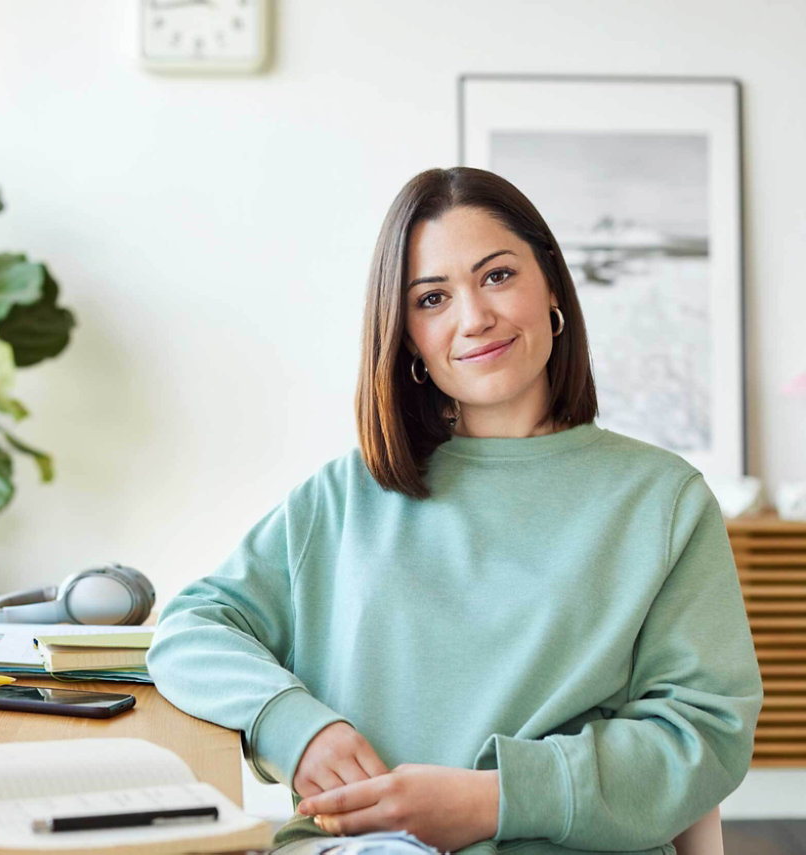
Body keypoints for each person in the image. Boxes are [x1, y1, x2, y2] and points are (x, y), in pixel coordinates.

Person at [145, 167, 763, 855]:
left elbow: (703, 734)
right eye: (432, 297)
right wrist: (293, 723)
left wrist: (495, 801)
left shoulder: (662, 500)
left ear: (551, 283)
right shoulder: (346, 494)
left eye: (497, 276)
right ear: (406, 333)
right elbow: (191, 628)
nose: (474, 318)